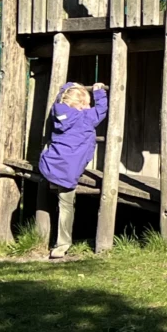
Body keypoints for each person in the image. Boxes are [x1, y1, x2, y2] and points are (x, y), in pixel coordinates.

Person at [38, 81, 109, 258]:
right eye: (87, 103)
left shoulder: (57, 112)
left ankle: (52, 183)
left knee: (52, 152)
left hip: (51, 164)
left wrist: (69, 86)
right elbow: (101, 110)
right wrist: (99, 93)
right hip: (69, 170)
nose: (89, 107)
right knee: (66, 206)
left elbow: (60, 98)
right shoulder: (85, 117)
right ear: (80, 104)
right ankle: (62, 245)